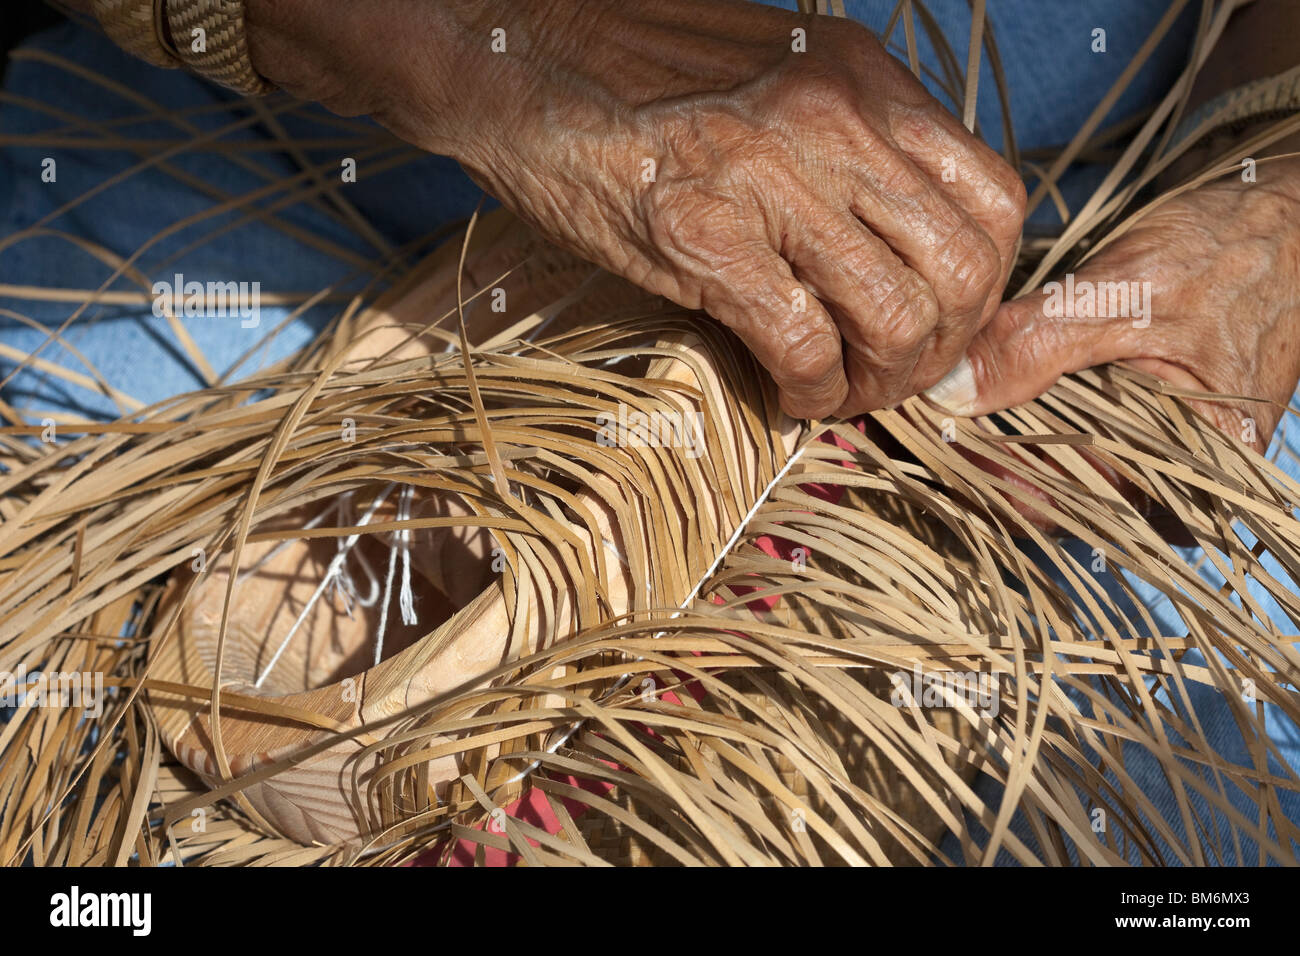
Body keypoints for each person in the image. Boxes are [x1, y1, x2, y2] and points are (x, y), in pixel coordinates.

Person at [3, 0, 1298, 862]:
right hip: (302, 142)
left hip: (1091, 201)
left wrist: (1275, 182)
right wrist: (510, 41)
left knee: (1191, 805)